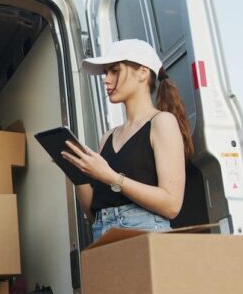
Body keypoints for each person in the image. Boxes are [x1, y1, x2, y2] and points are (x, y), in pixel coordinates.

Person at [61, 39, 193, 241]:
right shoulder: (108, 136)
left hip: (145, 233)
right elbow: (93, 214)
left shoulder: (162, 122)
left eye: (114, 71)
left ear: (142, 72)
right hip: (102, 234)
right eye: (106, 73)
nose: (106, 80)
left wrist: (111, 177)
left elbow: (172, 204)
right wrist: (76, 172)